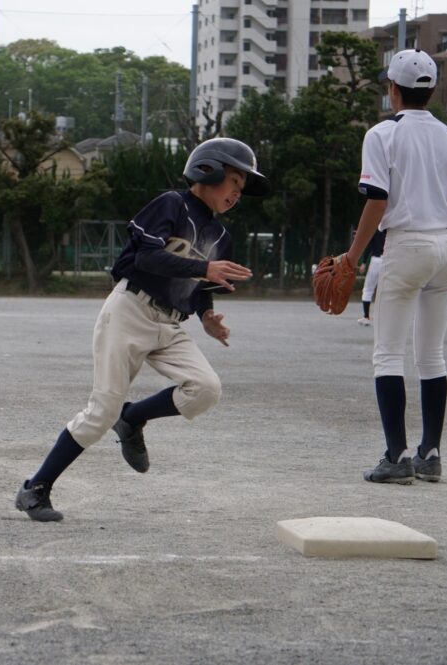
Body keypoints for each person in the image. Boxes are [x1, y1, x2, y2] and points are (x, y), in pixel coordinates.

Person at [14, 138, 269, 522]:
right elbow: (148, 257)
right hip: (130, 310)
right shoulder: (172, 203)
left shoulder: (220, 237)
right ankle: (35, 487)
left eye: (242, 187)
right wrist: (203, 270)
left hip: (170, 324)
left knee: (205, 390)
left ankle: (132, 417)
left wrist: (207, 315)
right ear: (208, 170)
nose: (238, 192)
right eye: (234, 180)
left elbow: (199, 288)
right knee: (101, 412)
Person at [342, 49, 447, 485]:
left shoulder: (382, 134)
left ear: (392, 89)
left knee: (388, 353)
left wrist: (353, 257)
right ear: (430, 91)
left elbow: (378, 199)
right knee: (432, 354)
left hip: (408, 245)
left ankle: (396, 455)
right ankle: (430, 453)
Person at [357, 229, 386, 326]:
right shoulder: (391, 229)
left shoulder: (374, 229)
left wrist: (364, 263)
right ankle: (384, 319)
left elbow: (368, 247)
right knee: (385, 291)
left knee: (368, 289)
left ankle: (366, 317)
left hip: (376, 261)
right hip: (389, 261)